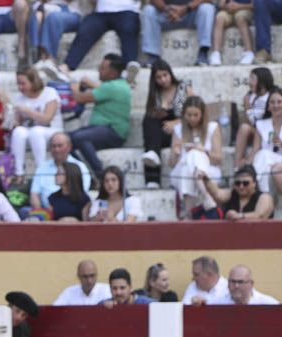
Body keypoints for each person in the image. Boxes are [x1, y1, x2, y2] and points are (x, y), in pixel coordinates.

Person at [68, 54, 131, 177]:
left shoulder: (111, 86)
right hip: (101, 130)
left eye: (102, 68)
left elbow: (80, 98)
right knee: (65, 141)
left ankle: (100, 174)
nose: (98, 70)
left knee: (80, 138)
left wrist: (73, 86)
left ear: (112, 73)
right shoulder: (119, 84)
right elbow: (101, 89)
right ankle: (84, 175)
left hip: (112, 132)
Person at [241, 88, 282, 209]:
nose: (276, 105)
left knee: (264, 154)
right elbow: (255, 150)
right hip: (267, 164)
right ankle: (264, 195)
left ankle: (257, 190)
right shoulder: (261, 124)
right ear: (268, 107)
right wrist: (246, 165)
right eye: (272, 102)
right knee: (263, 156)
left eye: (279, 102)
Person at [46, 0, 141, 73]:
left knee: (128, 28)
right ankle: (67, 66)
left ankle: (129, 66)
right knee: (86, 29)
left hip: (127, 11)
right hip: (101, 12)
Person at [168, 96, 223, 218]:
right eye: (188, 115)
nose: (192, 118)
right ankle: (206, 195)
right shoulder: (178, 129)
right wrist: (176, 153)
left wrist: (204, 151)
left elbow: (218, 158)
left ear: (202, 114)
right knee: (189, 161)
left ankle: (188, 214)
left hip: (209, 171)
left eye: (196, 115)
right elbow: (171, 163)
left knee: (194, 154)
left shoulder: (212, 127)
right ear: (184, 114)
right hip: (181, 172)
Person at [4, 67, 60, 178]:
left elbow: (47, 118)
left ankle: (41, 171)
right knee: (19, 132)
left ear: (33, 81)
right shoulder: (19, 98)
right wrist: (13, 117)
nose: (20, 87)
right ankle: (19, 173)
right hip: (30, 133)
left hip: (52, 131)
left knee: (36, 131)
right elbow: (18, 124)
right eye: (18, 84)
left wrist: (27, 111)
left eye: (23, 83)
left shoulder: (49, 93)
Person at [140, 59, 187, 188]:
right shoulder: (155, 93)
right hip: (161, 132)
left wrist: (176, 122)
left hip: (180, 131)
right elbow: (151, 115)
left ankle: (152, 178)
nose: (163, 80)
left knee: (151, 140)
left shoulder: (182, 88)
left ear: (170, 74)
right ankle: (152, 171)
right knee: (149, 120)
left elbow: (196, 113)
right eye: (159, 77)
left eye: (165, 75)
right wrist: (162, 108)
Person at [28, 130, 92, 210]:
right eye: (53, 146)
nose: (56, 150)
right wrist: (41, 213)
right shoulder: (42, 167)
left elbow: (81, 194)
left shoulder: (79, 167)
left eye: (59, 146)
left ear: (69, 147)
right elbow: (34, 194)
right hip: (45, 212)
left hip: (72, 210)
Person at [141, 0, 216, 66]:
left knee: (207, 8)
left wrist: (186, 8)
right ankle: (153, 56)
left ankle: (203, 53)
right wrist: (167, 10)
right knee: (148, 10)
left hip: (191, 13)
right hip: (167, 15)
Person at [198, 164, 274, 220]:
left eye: (245, 183)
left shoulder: (264, 197)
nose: (241, 186)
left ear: (254, 183)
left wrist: (239, 216)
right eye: (238, 183)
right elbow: (217, 194)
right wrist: (206, 179)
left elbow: (260, 216)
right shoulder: (232, 193)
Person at [230, 67, 275, 159]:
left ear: (262, 81)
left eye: (253, 79)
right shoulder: (252, 96)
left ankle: (238, 161)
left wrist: (247, 107)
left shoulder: (271, 97)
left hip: (268, 131)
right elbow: (250, 121)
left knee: (244, 128)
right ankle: (237, 162)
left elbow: (254, 121)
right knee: (244, 127)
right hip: (255, 130)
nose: (249, 82)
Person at [210, 0, 255, 64]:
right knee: (219, 18)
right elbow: (220, 5)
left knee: (240, 17)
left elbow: (254, 5)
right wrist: (226, 6)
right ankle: (216, 53)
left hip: (245, 9)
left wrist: (238, 6)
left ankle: (249, 52)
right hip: (228, 11)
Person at [211, 264, 279, 305]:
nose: (236, 286)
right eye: (233, 281)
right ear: (228, 284)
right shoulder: (216, 303)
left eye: (240, 282)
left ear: (251, 284)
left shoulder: (268, 303)